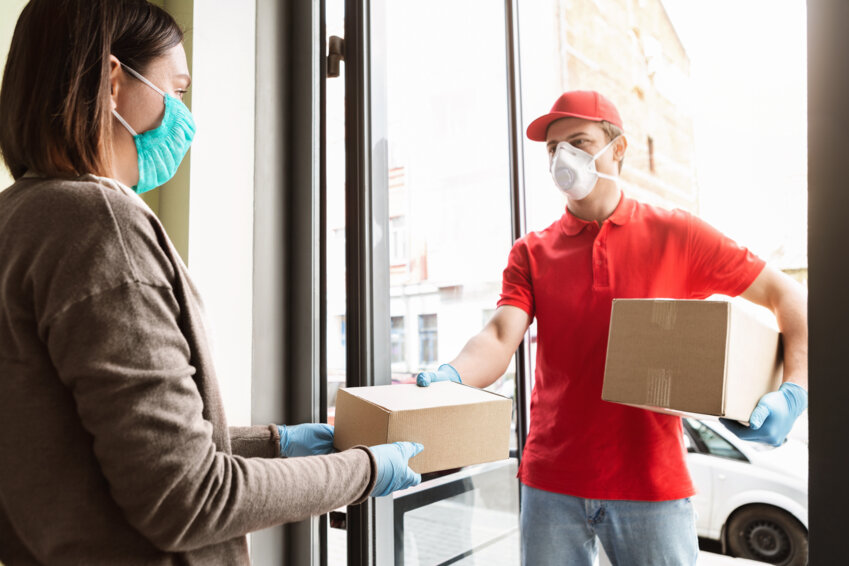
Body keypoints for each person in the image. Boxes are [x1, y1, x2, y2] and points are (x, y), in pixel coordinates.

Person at [0, 1, 421, 564]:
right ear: (111, 80)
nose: (180, 113)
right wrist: (366, 470)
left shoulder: (19, 217)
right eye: (175, 91)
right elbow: (190, 500)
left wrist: (278, 444)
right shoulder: (100, 225)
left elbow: (93, 445)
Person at [417, 90, 808, 566]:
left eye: (579, 142)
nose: (565, 158)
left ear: (617, 149)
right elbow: (501, 335)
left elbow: (787, 296)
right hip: (551, 483)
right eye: (554, 149)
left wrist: (793, 393)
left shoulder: (677, 234)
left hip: (651, 485)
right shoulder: (532, 253)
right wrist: (452, 376)